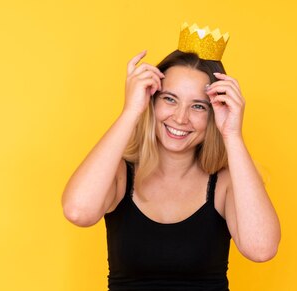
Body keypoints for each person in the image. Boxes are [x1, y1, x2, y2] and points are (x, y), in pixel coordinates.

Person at [61, 23, 281, 290]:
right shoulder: (119, 174)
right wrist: (131, 111)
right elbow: (77, 211)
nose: (180, 118)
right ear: (151, 101)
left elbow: (261, 249)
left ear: (214, 113)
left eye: (198, 106)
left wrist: (232, 134)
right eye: (169, 99)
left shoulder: (225, 183)